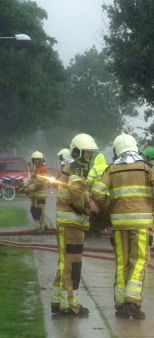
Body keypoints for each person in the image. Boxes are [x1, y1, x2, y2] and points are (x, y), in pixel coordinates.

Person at [92, 134, 154, 319]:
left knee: (122, 262)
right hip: (141, 224)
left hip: (118, 224)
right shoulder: (145, 167)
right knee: (139, 261)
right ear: (135, 147)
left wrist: (109, 207)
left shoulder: (112, 169)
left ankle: (120, 304)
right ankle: (132, 303)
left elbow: (97, 193)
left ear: (117, 150)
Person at [52, 133, 99, 316]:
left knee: (64, 264)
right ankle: (70, 306)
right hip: (72, 224)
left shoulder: (71, 167)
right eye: (87, 153)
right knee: (72, 266)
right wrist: (89, 206)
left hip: (68, 223)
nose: (89, 156)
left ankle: (58, 301)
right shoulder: (76, 168)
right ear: (78, 152)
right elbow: (76, 192)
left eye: (90, 153)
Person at [24, 151, 49, 233]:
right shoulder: (36, 169)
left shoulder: (43, 169)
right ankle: (40, 226)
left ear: (41, 160)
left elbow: (39, 182)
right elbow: (32, 179)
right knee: (33, 210)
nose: (36, 161)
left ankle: (41, 228)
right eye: (34, 160)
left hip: (41, 194)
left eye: (37, 160)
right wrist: (25, 185)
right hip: (35, 195)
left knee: (40, 212)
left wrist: (28, 188)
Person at [86, 153, 110, 237]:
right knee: (105, 212)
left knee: (93, 212)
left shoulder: (94, 168)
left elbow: (89, 181)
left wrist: (89, 190)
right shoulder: (108, 168)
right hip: (108, 195)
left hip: (96, 194)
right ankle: (103, 227)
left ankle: (94, 230)